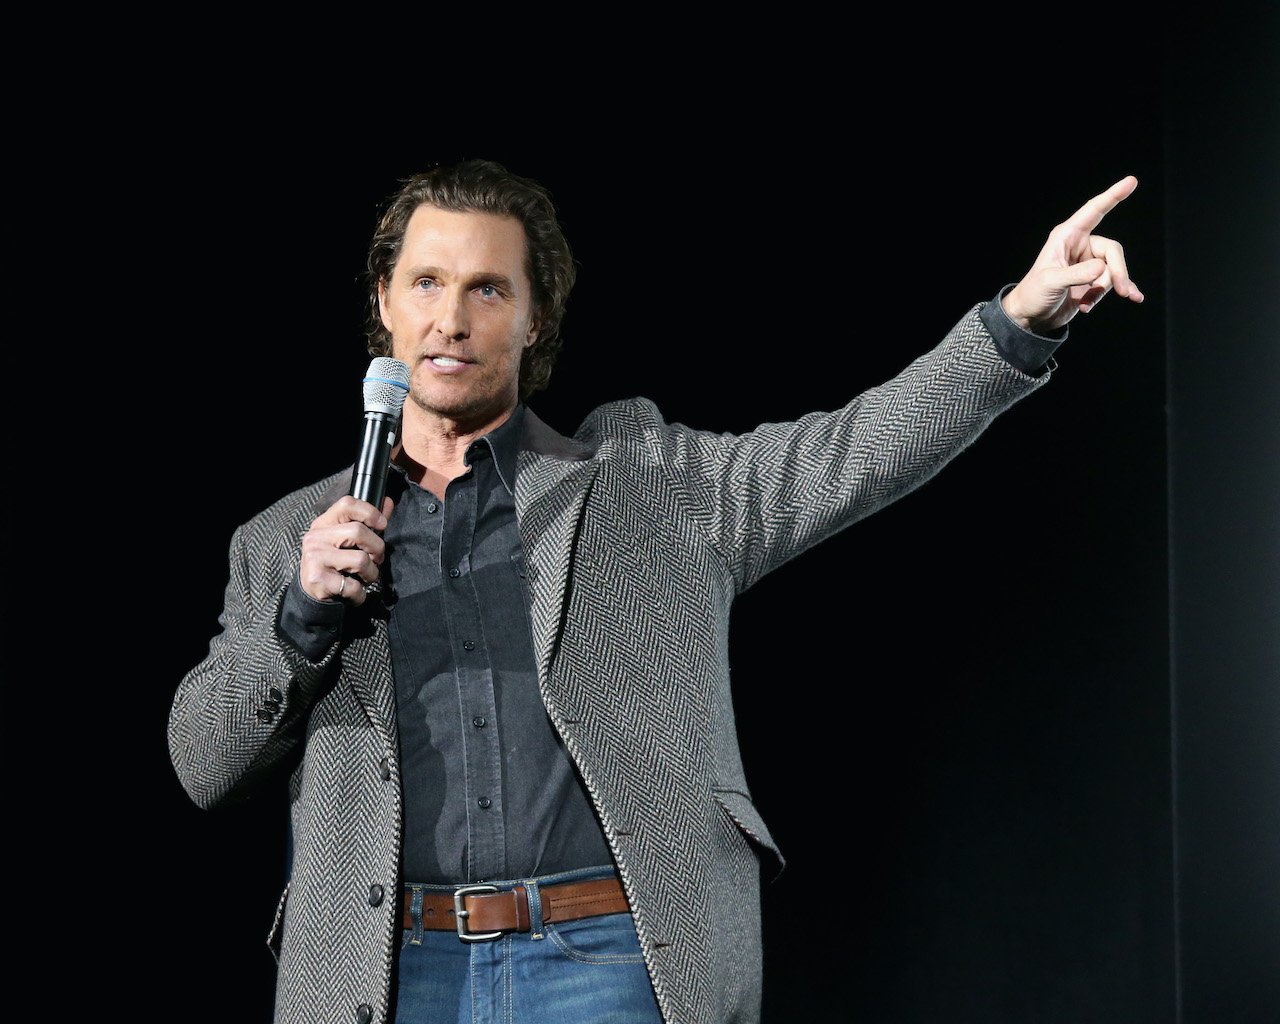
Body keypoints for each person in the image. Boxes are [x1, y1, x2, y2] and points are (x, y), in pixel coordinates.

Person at [167, 158, 1143, 1024]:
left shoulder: (649, 485)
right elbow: (203, 762)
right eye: (426, 282)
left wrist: (1018, 323)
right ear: (385, 300)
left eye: (487, 288)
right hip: (389, 971)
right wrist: (300, 621)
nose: (451, 319)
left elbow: (853, 450)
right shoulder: (289, 539)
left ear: (534, 316)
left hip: (603, 963)